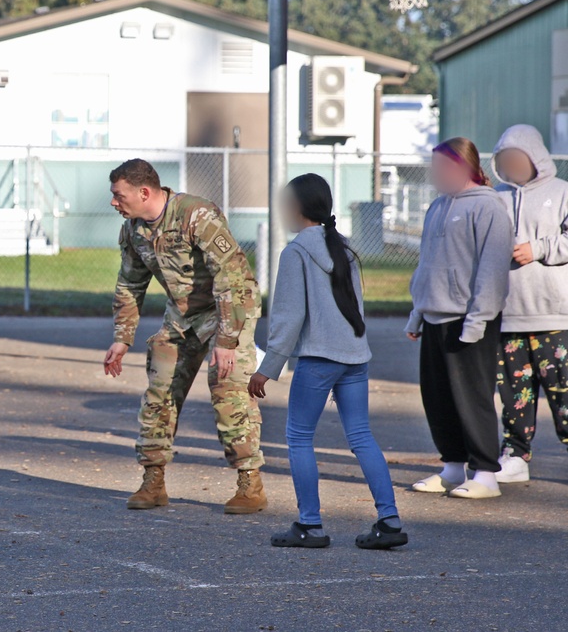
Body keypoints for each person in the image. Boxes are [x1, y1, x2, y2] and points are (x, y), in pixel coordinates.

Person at [249, 174, 406, 550]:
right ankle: (390, 521)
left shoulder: (296, 252)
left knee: (298, 437)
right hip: (355, 357)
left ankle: (310, 525)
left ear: (297, 208)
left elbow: (288, 318)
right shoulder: (344, 248)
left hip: (319, 359)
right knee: (361, 437)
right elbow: (357, 309)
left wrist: (267, 368)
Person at [103, 158, 266, 514]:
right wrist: (122, 337)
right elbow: (130, 282)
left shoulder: (197, 215)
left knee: (227, 390)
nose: (114, 202)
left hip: (229, 310)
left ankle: (249, 482)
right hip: (182, 316)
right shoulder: (134, 229)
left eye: (119, 195)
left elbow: (232, 279)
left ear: (144, 192)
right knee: (158, 391)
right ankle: (153, 481)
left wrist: (225, 343)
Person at [407, 137, 513, 499]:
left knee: (472, 397)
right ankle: (452, 467)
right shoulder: (436, 206)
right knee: (437, 398)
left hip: (470, 320)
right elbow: (427, 266)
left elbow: (493, 268)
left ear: (464, 167)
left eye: (442, 167)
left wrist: (478, 319)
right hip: (434, 317)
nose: (435, 175)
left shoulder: (489, 207)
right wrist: (416, 314)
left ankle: (485, 473)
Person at [492, 124, 568, 483]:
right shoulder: (497, 198)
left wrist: (538, 248)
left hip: (555, 315)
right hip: (509, 316)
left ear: (535, 157)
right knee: (513, 394)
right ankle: (515, 456)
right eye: (504, 160)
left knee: (564, 392)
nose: (511, 165)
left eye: (517, 158)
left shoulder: (562, 192)